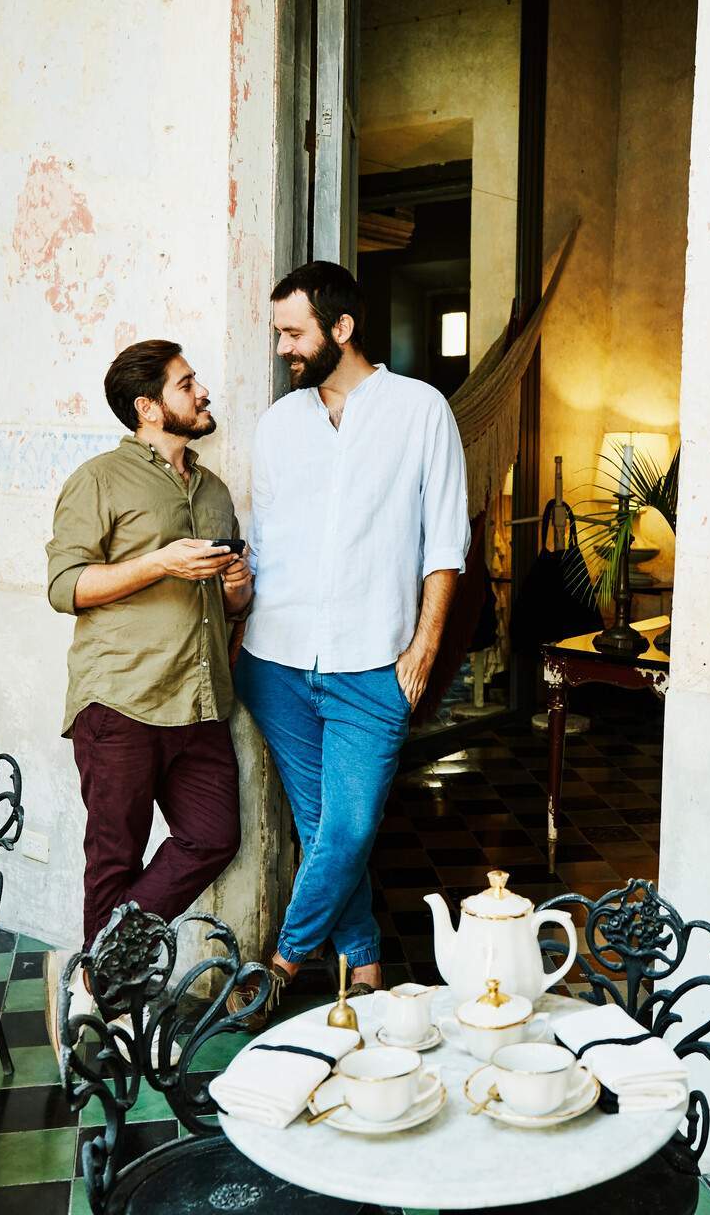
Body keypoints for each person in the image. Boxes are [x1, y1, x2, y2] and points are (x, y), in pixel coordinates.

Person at [231, 260, 468, 1027]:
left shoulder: (420, 409)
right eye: (278, 334)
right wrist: (234, 595)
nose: (282, 350)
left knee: (351, 825)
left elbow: (445, 543)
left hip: (375, 664)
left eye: (294, 333)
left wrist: (424, 649)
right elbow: (263, 546)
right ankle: (363, 965)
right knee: (323, 827)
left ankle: (281, 963)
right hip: (275, 661)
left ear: (342, 328)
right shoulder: (278, 425)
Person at [42, 339, 252, 1042]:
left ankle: (94, 971)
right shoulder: (99, 481)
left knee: (213, 835)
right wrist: (157, 562)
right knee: (115, 858)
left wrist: (239, 596)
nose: (203, 394)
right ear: (148, 405)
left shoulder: (216, 492)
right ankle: (107, 1003)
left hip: (200, 702)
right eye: (188, 384)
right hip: (121, 702)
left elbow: (223, 604)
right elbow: (65, 587)